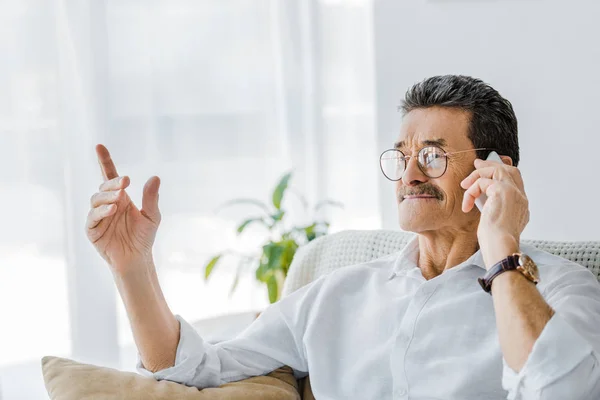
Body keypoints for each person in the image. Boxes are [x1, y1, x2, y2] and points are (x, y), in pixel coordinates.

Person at [86, 75, 600, 399]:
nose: (409, 175)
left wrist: (502, 248)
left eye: (434, 155)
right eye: (402, 156)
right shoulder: (336, 292)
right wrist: (131, 267)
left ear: (496, 173)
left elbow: (559, 388)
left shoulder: (563, 289)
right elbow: (196, 369)